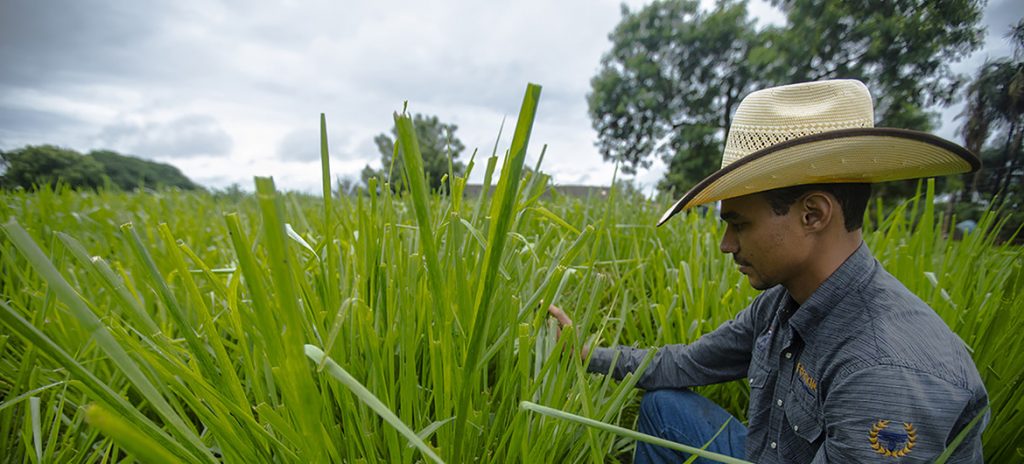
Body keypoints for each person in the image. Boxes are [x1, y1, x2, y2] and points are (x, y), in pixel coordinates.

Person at [548, 80, 988, 463]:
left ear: (813, 215)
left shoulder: (882, 371)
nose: (726, 246)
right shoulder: (784, 304)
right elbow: (687, 362)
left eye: (739, 224)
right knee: (665, 408)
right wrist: (587, 355)